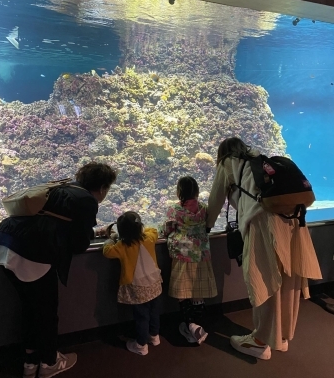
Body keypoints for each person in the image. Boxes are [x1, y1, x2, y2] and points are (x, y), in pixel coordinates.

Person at [0, 162, 117, 378]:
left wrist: (91, 232)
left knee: (30, 309)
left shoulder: (61, 188)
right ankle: (49, 363)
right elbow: (78, 244)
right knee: (46, 312)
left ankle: (30, 362)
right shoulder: (87, 200)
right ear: (102, 188)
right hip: (32, 255)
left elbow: (56, 224)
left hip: (5, 246)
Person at [207, 137, 322, 360]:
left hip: (264, 224)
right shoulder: (260, 160)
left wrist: (206, 225)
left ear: (223, 153)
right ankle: (282, 336)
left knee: (264, 278)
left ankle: (260, 341)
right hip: (294, 222)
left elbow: (215, 199)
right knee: (289, 277)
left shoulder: (229, 162)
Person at [163, 176, 218, 344]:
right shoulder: (203, 209)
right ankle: (197, 324)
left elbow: (167, 229)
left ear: (179, 192)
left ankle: (190, 325)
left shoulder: (175, 210)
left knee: (184, 292)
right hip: (201, 254)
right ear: (197, 191)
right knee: (197, 292)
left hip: (183, 254)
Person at [102, 211, 162, 356]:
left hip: (137, 288)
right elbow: (154, 230)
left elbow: (107, 252)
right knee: (154, 312)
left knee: (142, 317)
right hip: (154, 284)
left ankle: (141, 345)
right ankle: (154, 337)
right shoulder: (148, 238)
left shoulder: (122, 246)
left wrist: (111, 239)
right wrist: (142, 229)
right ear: (139, 226)